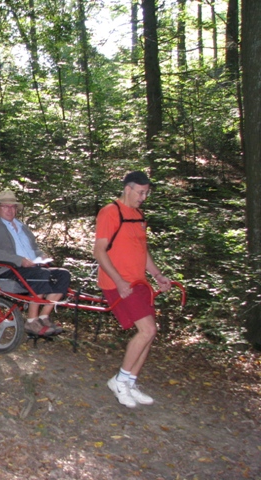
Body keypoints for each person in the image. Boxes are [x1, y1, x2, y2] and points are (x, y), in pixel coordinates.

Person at [93, 171, 172, 408]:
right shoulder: (110, 212)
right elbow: (99, 251)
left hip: (138, 283)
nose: (144, 197)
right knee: (146, 330)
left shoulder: (138, 215)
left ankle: (129, 382)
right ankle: (119, 380)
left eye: (147, 193)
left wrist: (157, 275)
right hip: (118, 283)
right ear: (128, 189)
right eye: (141, 192)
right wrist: (118, 281)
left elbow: (142, 250)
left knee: (151, 332)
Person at [0, 190, 71, 336]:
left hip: (32, 266)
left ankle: (44, 316)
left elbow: (34, 248)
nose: (10, 210)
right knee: (40, 276)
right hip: (8, 269)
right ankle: (31, 321)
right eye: (5, 206)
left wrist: (41, 256)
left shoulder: (22, 226)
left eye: (13, 207)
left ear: (16, 209)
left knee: (63, 275)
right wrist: (19, 260)